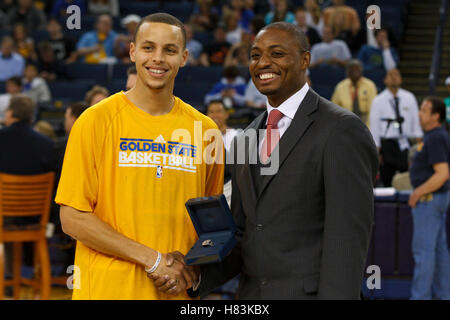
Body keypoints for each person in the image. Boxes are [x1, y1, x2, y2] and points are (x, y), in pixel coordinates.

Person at [155, 21, 378, 299]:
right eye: (256, 55)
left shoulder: (342, 129)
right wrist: (197, 274)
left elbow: (347, 238)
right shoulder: (246, 137)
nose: (263, 63)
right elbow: (240, 235)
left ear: (305, 60)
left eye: (277, 54)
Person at [55, 13, 224, 300]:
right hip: (108, 290)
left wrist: (193, 272)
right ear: (132, 52)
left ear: (184, 57)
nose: (158, 58)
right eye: (148, 48)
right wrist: (153, 259)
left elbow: (211, 226)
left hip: (174, 293)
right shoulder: (95, 121)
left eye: (169, 50)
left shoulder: (205, 130)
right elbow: (72, 217)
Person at [0, 95, 54, 295]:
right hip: (35, 220)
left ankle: (6, 278)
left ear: (11, 113)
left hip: (3, 218)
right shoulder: (47, 144)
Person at [408, 97, 450, 300]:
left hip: (429, 201)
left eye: (424, 110)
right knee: (440, 254)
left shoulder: (435, 138)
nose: (419, 113)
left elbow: (442, 173)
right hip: (438, 200)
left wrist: (418, 191)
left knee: (424, 254)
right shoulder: (436, 136)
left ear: (436, 116)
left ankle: (420, 297)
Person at [369, 68, 423, 187]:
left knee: (407, 179)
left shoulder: (409, 97)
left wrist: (419, 147)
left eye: (397, 75)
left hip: (406, 144)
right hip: (387, 145)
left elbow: (416, 124)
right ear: (385, 80)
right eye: (390, 75)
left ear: (401, 79)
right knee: (388, 180)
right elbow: (375, 128)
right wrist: (377, 153)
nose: (394, 77)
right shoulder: (378, 100)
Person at [331, 59, 377, 126]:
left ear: (361, 70)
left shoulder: (370, 85)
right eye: (352, 68)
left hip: (365, 120)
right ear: (347, 71)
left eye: (357, 68)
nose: (355, 70)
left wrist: (369, 127)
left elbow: (373, 108)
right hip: (346, 122)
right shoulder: (340, 86)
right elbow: (333, 108)